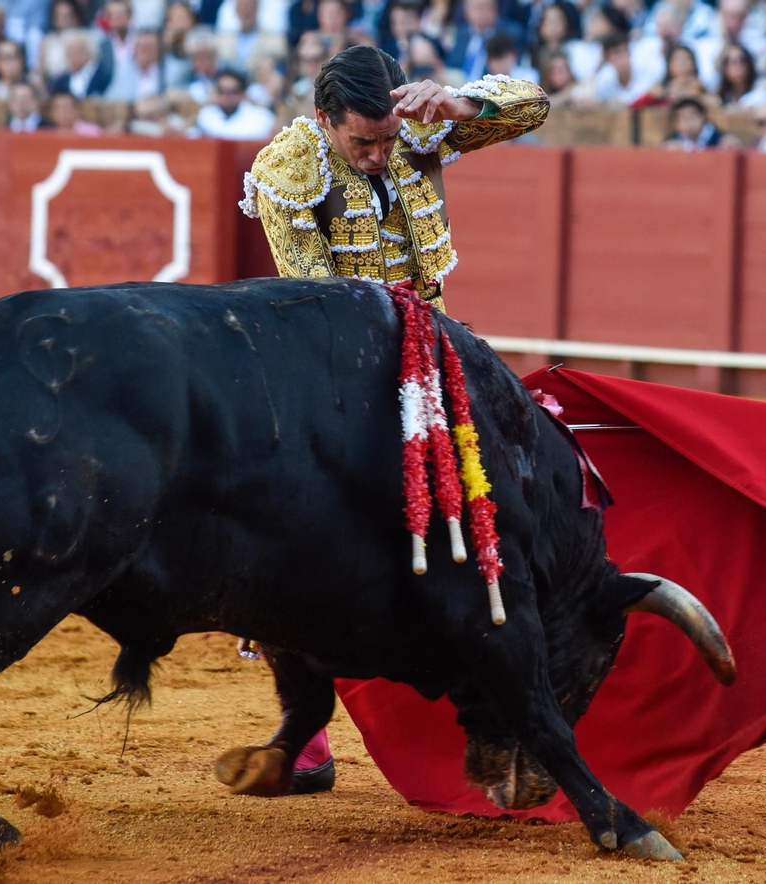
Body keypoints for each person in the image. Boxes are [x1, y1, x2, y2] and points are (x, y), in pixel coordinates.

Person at [240, 45, 547, 791]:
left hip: (438, 340)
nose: (379, 156)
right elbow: (316, 303)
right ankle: (303, 731)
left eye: (385, 140)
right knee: (298, 536)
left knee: (502, 493)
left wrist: (459, 106)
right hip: (337, 358)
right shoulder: (290, 165)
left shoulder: (418, 125)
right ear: (324, 121)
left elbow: (533, 105)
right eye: (361, 143)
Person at [194, 67, 275, 137]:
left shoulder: (261, 117)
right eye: (222, 91)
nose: (226, 96)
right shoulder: (205, 115)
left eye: (232, 92)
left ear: (242, 94)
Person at [662, 95, 727, 149]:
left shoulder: (719, 139)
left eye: (692, 116)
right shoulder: (673, 140)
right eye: (683, 118)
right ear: (676, 123)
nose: (688, 122)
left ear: (703, 117)